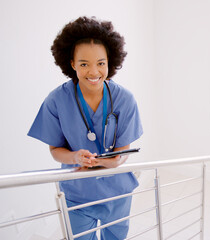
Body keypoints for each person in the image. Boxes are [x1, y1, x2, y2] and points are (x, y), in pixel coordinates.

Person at [28, 16, 143, 240]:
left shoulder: (125, 100)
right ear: (71, 64)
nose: (93, 72)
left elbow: (122, 153)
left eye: (101, 63)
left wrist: (107, 161)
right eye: (84, 64)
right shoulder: (56, 101)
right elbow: (55, 151)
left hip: (117, 190)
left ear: (110, 62)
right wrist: (76, 157)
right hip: (77, 191)